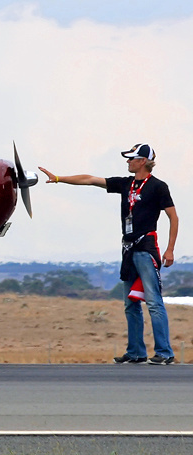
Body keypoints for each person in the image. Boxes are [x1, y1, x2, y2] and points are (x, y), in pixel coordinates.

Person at [39, 144, 179, 365]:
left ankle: (164, 352)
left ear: (143, 161)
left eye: (132, 159)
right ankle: (135, 352)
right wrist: (58, 178)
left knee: (153, 302)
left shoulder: (158, 187)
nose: (128, 162)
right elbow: (90, 180)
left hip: (146, 248)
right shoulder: (126, 184)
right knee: (130, 303)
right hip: (128, 248)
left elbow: (174, 217)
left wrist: (170, 249)